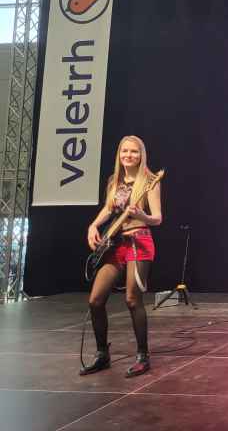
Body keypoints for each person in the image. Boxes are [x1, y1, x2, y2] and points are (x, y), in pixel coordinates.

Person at [81, 136, 163, 378]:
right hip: (115, 245)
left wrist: (141, 215)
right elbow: (109, 208)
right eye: (125, 151)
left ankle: (142, 356)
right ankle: (102, 355)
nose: (129, 155)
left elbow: (157, 218)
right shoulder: (114, 181)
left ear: (141, 155)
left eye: (134, 151)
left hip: (140, 242)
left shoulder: (150, 181)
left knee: (132, 299)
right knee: (95, 300)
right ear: (119, 154)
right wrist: (93, 226)